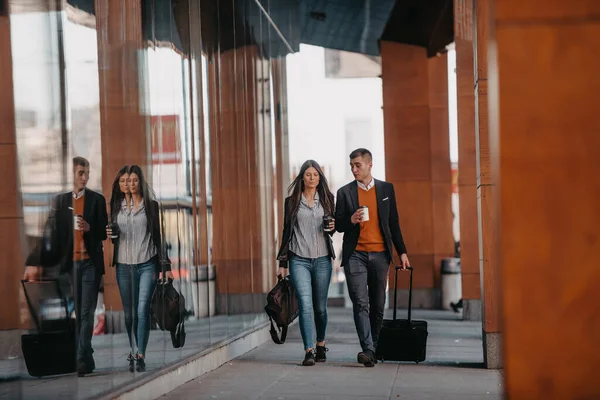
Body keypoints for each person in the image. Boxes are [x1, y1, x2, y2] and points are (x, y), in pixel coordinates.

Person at [24, 157, 108, 376]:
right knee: (79, 311)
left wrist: (90, 227)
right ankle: (86, 354)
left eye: (87, 173)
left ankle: (80, 359)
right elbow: (48, 235)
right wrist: (33, 261)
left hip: (90, 263)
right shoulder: (60, 202)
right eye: (81, 173)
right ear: (71, 174)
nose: (85, 177)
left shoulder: (97, 200)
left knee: (87, 311)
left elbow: (103, 232)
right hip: (71, 264)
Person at [335, 148, 410, 367]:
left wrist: (402, 252)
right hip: (355, 255)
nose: (354, 169)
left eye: (357, 165)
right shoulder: (344, 192)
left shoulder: (386, 189)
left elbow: (393, 222)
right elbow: (339, 226)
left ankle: (374, 347)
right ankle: (367, 348)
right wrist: (351, 220)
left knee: (378, 304)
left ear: (370, 165)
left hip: (381, 255)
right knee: (360, 303)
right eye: (351, 166)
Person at [106, 165, 173, 372]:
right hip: (124, 265)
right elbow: (111, 230)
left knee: (142, 310)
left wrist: (166, 266)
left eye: (135, 180)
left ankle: (140, 354)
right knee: (129, 315)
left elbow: (160, 237)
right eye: (127, 181)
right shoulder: (116, 205)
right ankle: (132, 348)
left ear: (140, 182)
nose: (131, 184)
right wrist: (111, 234)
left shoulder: (151, 206)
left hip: (147, 263)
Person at [276, 160, 336, 366]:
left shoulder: (328, 199)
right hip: (298, 259)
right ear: (302, 177)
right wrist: (282, 262)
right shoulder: (291, 202)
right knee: (305, 305)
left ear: (320, 178)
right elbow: (286, 231)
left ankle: (320, 344)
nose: (312, 178)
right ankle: (308, 350)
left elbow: (333, 228)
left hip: (322, 260)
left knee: (320, 307)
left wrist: (332, 227)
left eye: (316, 175)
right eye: (308, 174)